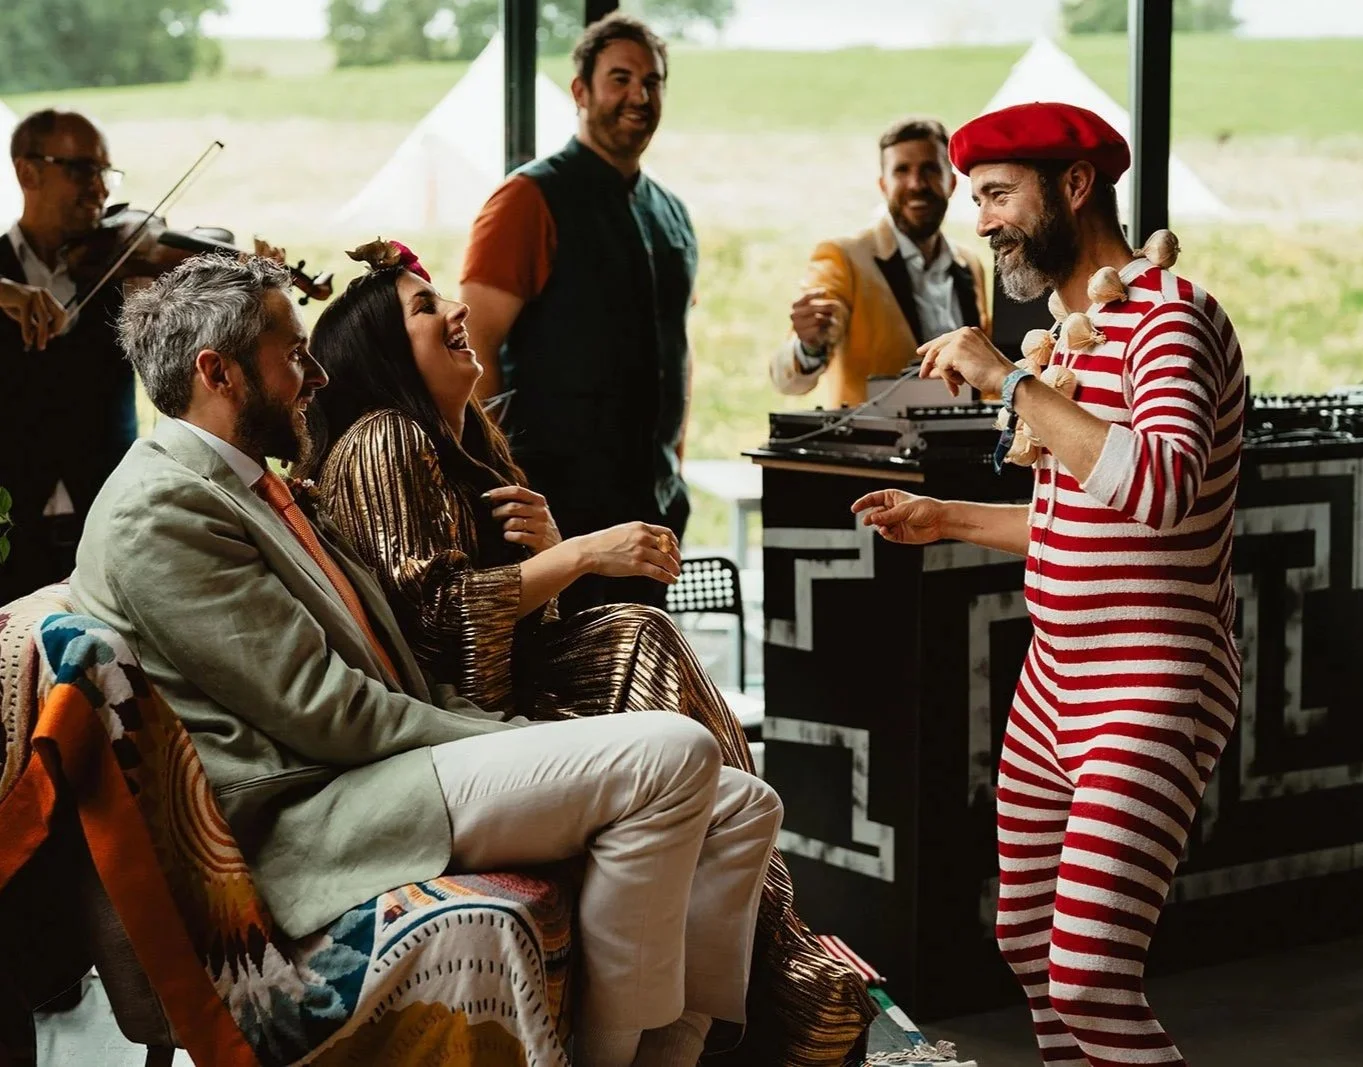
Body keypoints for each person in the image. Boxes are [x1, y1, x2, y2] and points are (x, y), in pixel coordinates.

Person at [69, 252, 784, 1067]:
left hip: (377, 770)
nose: (317, 376)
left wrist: (505, 720)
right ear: (218, 371)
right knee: (677, 751)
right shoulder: (159, 509)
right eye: (295, 353)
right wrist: (500, 735)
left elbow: (387, 662)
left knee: (744, 806)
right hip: (318, 813)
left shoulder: (242, 489)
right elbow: (328, 713)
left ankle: (673, 1055)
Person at [308, 238, 875, 1064]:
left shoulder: (460, 443)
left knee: (727, 774)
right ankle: (777, 953)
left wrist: (547, 555)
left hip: (496, 716)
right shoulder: (387, 438)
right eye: (425, 309)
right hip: (450, 742)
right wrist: (575, 557)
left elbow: (501, 624)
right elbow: (439, 622)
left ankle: (751, 972)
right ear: (382, 352)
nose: (455, 310)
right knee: (637, 636)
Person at [853, 102, 1244, 1066]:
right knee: (1027, 946)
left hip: (1151, 680)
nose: (978, 219)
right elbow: (1080, 521)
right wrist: (943, 519)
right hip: (1052, 685)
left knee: (1088, 977)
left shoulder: (1172, 320)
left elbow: (1157, 486)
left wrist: (1008, 385)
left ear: (1073, 188)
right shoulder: (1072, 336)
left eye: (995, 194)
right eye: (975, 198)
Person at [458, 13, 695, 616]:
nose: (639, 96)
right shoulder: (526, 199)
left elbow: (676, 350)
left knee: (638, 676)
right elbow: (473, 349)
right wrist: (507, 486)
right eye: (620, 79)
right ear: (581, 92)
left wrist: (676, 471)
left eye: (653, 82)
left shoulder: (673, 212)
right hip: (556, 511)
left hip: (656, 502)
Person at [0, 109, 136, 604]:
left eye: (105, 172)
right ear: (27, 172)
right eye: (82, 169)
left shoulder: (127, 265)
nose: (100, 188)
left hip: (110, 525)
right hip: (9, 531)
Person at [770, 117, 991, 408]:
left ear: (951, 182)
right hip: (874, 446)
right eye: (902, 171)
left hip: (959, 448)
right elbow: (787, 381)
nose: (916, 183)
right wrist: (809, 346)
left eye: (930, 169)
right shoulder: (843, 257)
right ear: (883, 185)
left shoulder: (970, 265)